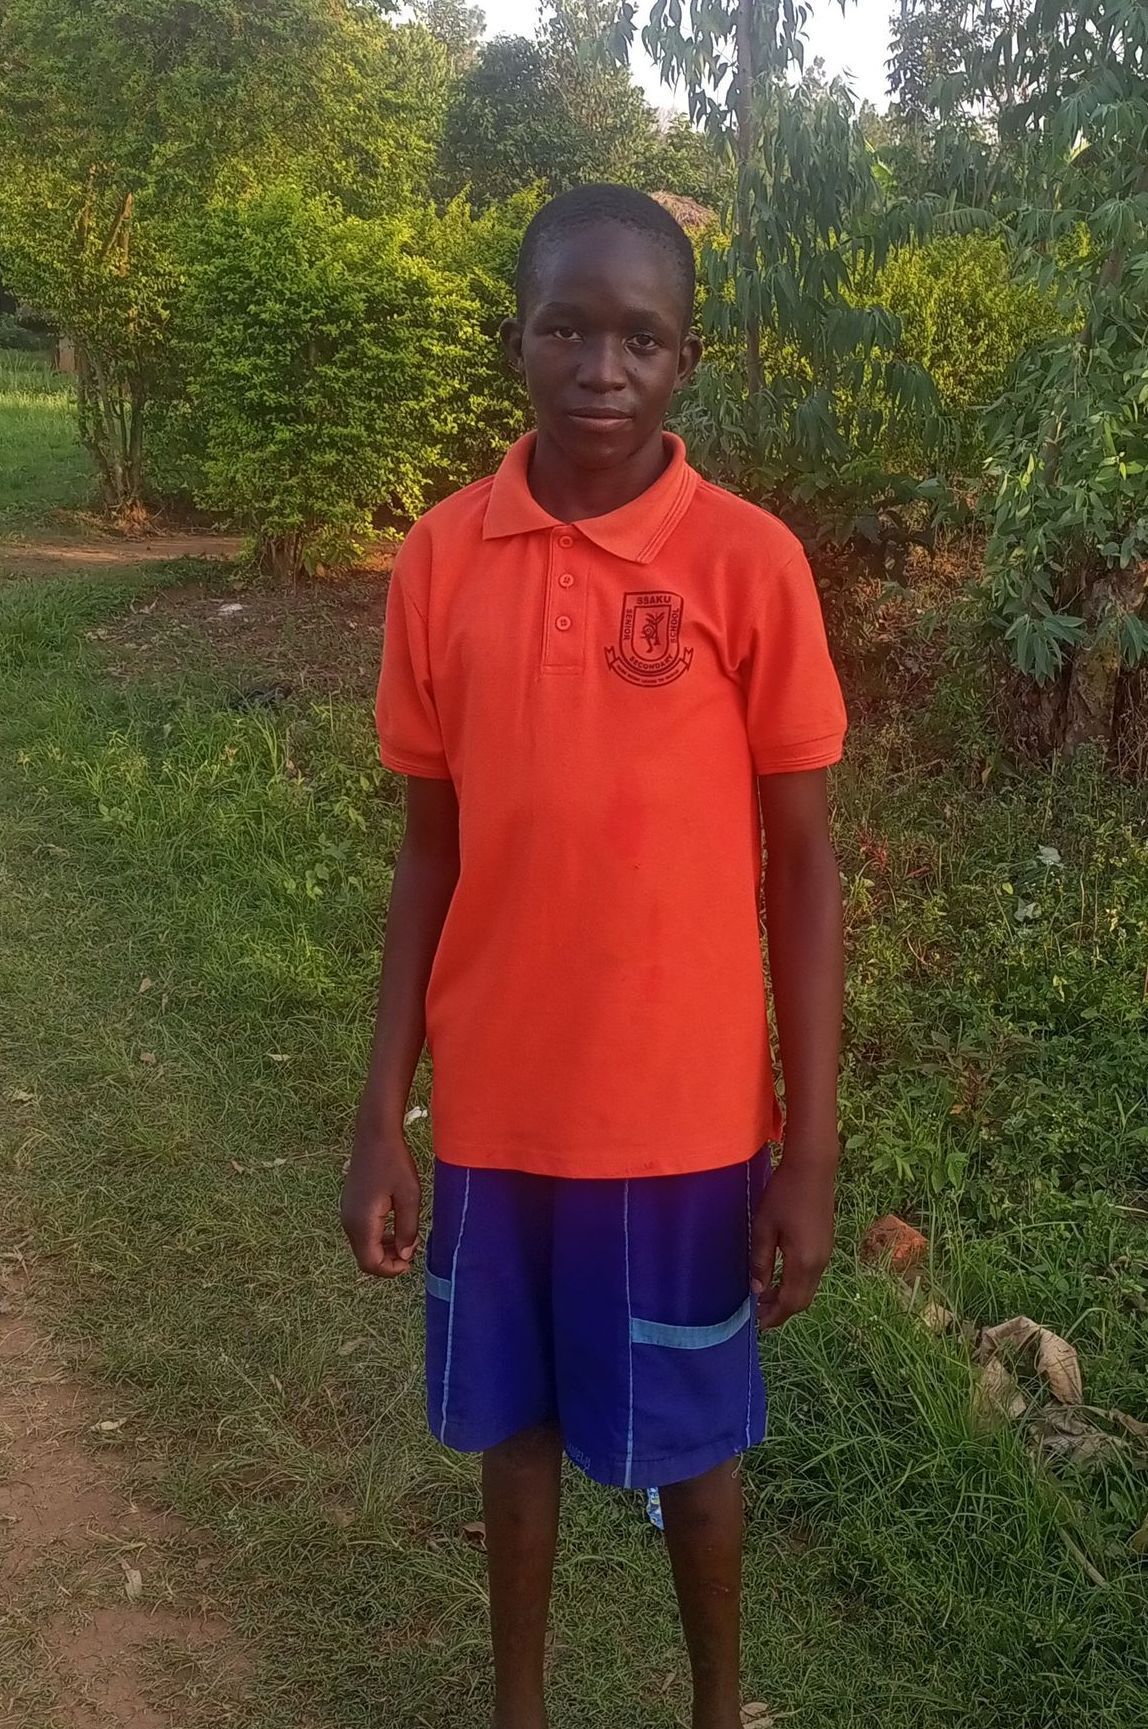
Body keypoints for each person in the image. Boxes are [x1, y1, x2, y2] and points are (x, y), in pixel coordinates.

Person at [341, 183, 846, 1729]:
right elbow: (432, 850)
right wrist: (384, 1111)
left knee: (695, 1458)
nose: (601, 369)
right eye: (569, 328)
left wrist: (809, 1146)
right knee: (516, 1435)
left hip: (685, 1127)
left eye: (641, 337)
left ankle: (714, 1706)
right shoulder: (440, 560)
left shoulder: (748, 565)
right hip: (497, 1115)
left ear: (689, 360)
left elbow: (806, 867)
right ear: (519, 341)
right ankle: (520, 1710)